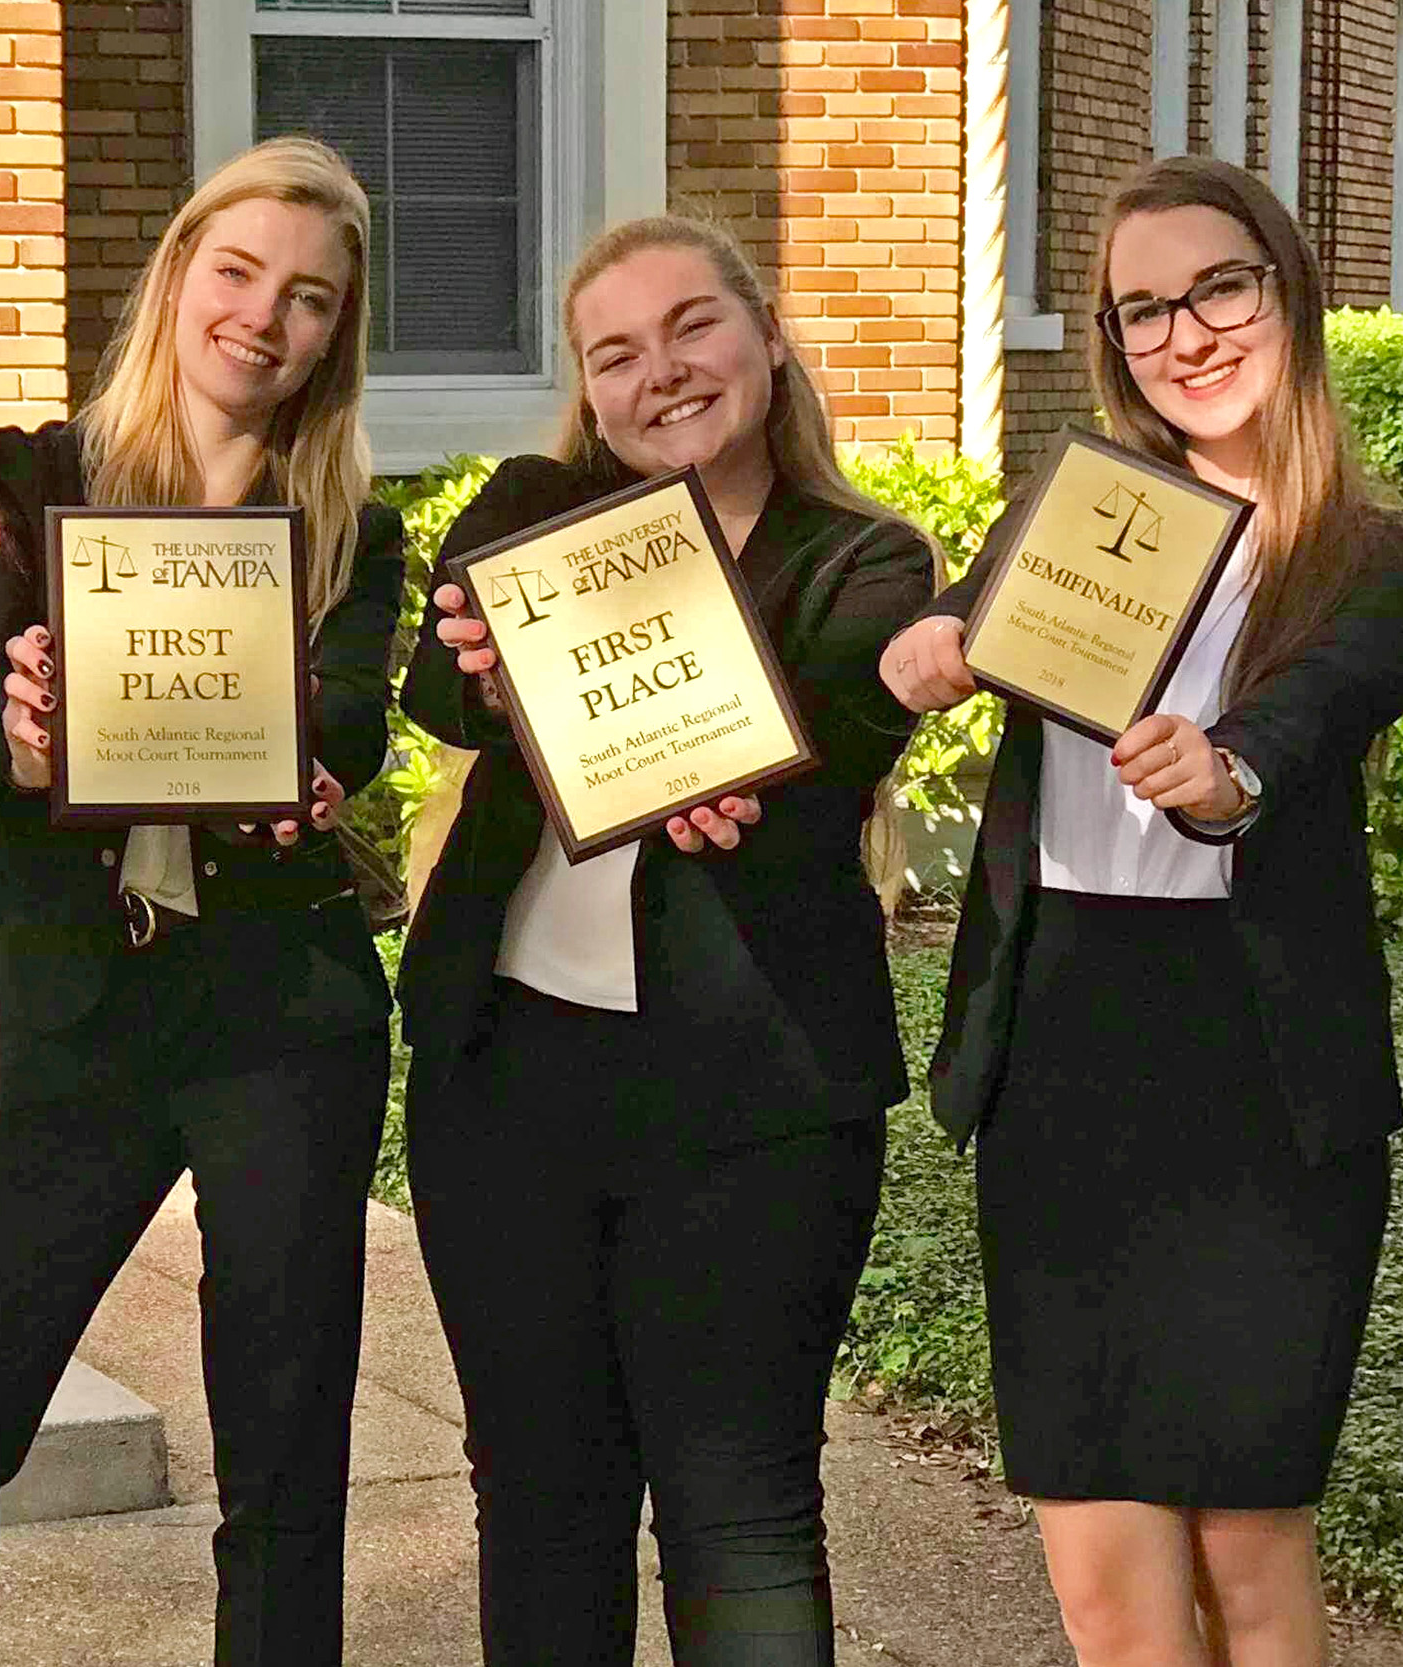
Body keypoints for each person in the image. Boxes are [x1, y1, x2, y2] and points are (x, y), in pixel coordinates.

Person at [0, 136, 405, 1667]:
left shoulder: (360, 526)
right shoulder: (32, 479)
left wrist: (309, 756)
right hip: (78, 1005)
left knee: (285, 1470)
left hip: (280, 1020)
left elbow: (348, 716)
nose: (262, 317)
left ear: (331, 334)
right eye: (236, 273)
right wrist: (20, 735)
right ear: (176, 278)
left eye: (306, 298)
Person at [880, 155, 1403, 1667]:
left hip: (1257, 1082)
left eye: (1216, 289)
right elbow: (956, 634)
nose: (1181, 335)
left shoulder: (1372, 559)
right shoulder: (1077, 517)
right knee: (1105, 1589)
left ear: (1287, 295)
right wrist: (921, 654)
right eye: (1138, 311)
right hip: (1063, 1062)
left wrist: (1217, 776)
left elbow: (1305, 721)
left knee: (1249, 1550)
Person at [400, 214, 937, 1667]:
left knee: (740, 1507)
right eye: (615, 353)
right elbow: (434, 695)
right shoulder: (527, 509)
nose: (664, 373)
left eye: (692, 326)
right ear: (587, 387)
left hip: (756, 1102)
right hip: (506, 1080)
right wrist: (506, 692)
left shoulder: (864, 560)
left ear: (765, 337)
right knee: (538, 1497)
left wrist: (816, 737)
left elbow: (831, 745)